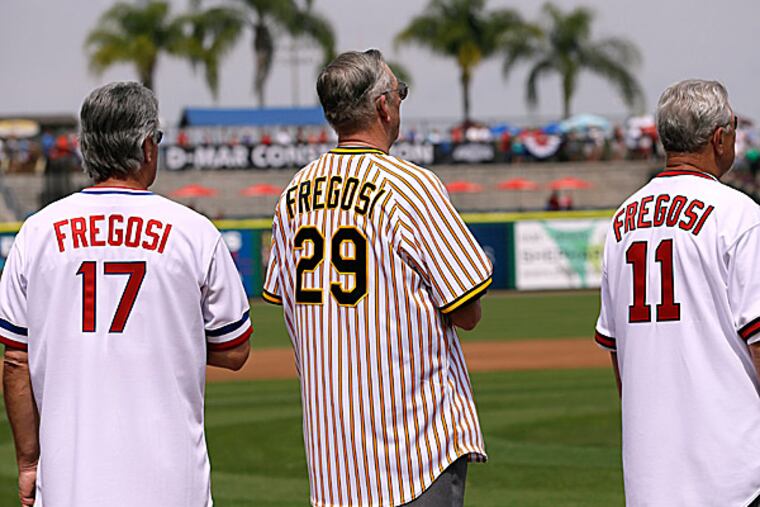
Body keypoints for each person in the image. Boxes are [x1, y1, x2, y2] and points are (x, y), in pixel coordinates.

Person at [0, 82, 252, 507]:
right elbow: (235, 349)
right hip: (174, 487)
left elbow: (15, 359)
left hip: (67, 484)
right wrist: (164, 334)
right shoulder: (194, 231)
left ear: (85, 149)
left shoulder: (36, 233)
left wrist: (29, 463)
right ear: (146, 147)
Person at [263, 49, 492, 507]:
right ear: (383, 106)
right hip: (415, 450)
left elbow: (283, 301)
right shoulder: (411, 185)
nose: (401, 103)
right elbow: (467, 311)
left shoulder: (293, 192)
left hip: (334, 459)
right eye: (399, 92)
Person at [595, 79, 760, 506]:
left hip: (651, 479)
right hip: (734, 478)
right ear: (720, 136)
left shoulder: (621, 221)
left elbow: (618, 356)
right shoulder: (740, 215)